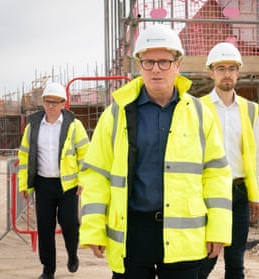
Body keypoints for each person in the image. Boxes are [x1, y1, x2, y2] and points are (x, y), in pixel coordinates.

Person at [79, 24, 233, 279]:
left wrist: (218, 229)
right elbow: (96, 175)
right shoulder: (116, 114)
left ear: (178, 64)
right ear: (139, 65)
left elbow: (216, 174)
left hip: (184, 236)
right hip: (133, 232)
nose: (156, 69)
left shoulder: (199, 114)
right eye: (148, 62)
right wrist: (94, 228)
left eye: (164, 61)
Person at [198, 42, 259, 279]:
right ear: (211, 72)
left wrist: (256, 194)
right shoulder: (198, 108)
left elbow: (256, 154)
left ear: (238, 72)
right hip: (208, 192)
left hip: (238, 191)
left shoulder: (249, 110)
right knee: (205, 257)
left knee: (236, 260)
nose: (227, 73)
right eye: (221, 68)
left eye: (231, 68)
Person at [18, 82, 90, 279]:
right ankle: (48, 270)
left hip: (68, 185)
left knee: (69, 224)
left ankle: (72, 254)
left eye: (55, 102)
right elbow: (24, 157)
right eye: (48, 102)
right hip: (43, 184)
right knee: (45, 227)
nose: (51, 106)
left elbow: (85, 154)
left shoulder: (74, 126)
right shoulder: (33, 126)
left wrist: (83, 180)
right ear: (43, 102)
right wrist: (24, 184)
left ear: (63, 104)